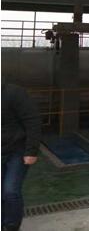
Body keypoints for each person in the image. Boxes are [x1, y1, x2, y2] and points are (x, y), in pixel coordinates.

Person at [2, 83, 41, 231]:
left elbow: (33, 121)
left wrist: (31, 151)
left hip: (17, 150)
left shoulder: (14, 93)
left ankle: (11, 226)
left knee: (10, 191)